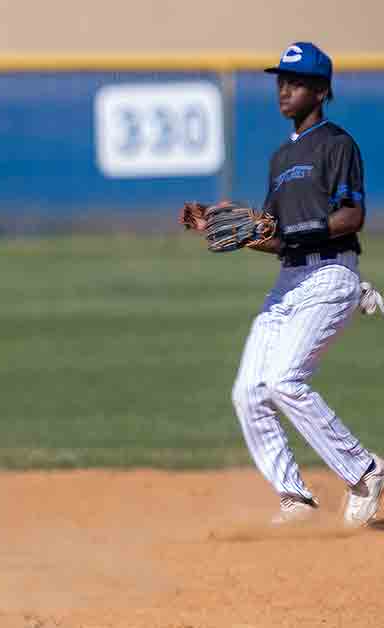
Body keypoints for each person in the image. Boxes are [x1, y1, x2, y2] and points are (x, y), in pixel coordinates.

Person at [181, 42, 383, 526]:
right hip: (291, 279)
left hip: (331, 273)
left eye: (296, 81)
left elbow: (351, 217)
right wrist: (227, 229)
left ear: (321, 90)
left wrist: (287, 232)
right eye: (281, 80)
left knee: (285, 380)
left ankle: (366, 470)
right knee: (249, 391)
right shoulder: (279, 160)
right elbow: (274, 236)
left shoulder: (338, 144)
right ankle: (295, 497)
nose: (284, 89)